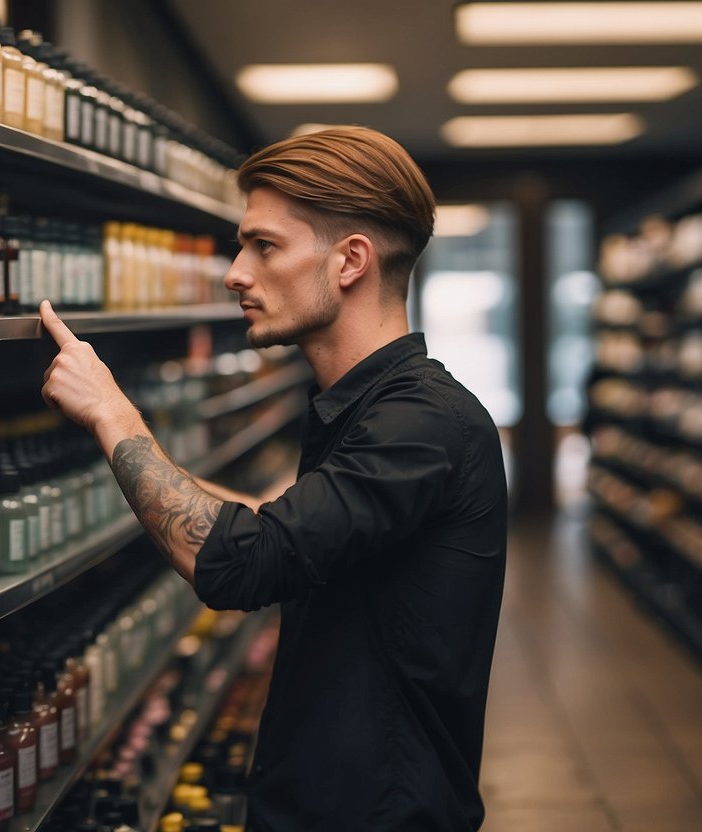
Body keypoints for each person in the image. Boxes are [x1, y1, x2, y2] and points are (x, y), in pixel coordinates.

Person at [39, 126, 506, 831]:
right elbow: (278, 522)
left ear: (351, 261)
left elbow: (242, 563)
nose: (234, 272)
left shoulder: (423, 423)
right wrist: (135, 469)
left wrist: (112, 413)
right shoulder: (370, 407)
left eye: (264, 246)